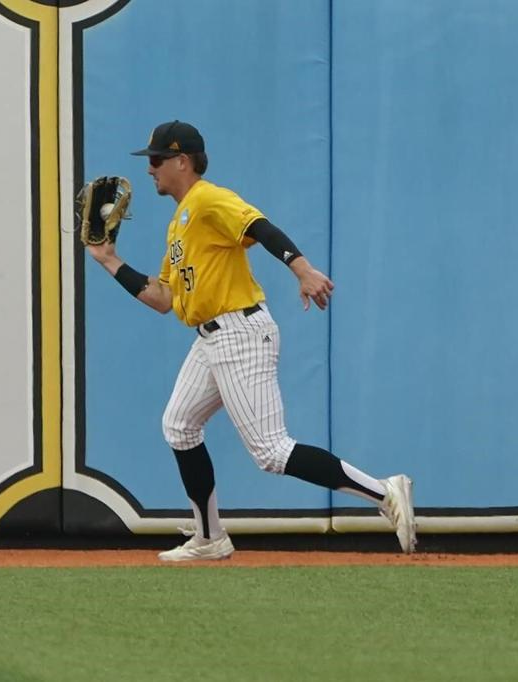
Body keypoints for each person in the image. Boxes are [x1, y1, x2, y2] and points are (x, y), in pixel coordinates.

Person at [86, 120, 416, 561]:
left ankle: (384, 491)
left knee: (272, 451)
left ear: (183, 161)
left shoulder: (208, 199)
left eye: (158, 159)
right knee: (180, 427)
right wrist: (109, 260)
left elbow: (258, 225)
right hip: (209, 338)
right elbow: (162, 298)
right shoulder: (180, 221)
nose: (151, 169)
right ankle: (209, 537)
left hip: (239, 332)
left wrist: (301, 268)